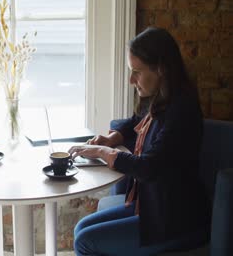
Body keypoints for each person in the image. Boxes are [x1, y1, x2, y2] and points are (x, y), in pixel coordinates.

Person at [68, 27, 210, 256]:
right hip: (153, 207)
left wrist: (104, 152)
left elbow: (148, 168)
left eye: (137, 71)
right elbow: (137, 120)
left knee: (85, 241)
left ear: (161, 69)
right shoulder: (160, 96)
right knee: (81, 228)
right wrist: (114, 137)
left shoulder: (182, 111)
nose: (131, 79)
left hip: (177, 220)